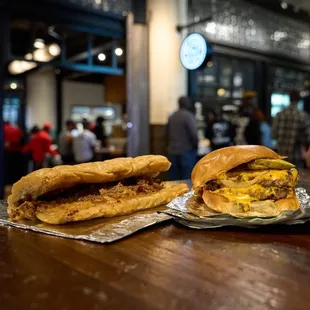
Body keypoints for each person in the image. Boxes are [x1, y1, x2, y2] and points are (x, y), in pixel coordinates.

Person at [272, 90, 310, 167]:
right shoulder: (303, 116)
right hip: (296, 156)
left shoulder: (279, 115)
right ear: (299, 100)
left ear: (289, 99)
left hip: (280, 155)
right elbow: (307, 138)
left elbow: (273, 134)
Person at [167, 96, 198, 180]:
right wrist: (196, 146)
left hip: (172, 150)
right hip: (186, 151)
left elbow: (166, 133)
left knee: (173, 178)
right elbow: (194, 134)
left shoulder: (172, 116)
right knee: (187, 179)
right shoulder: (188, 116)